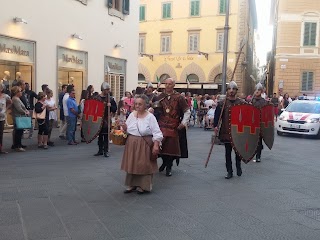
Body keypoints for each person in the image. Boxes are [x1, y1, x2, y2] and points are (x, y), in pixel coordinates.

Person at [120, 94, 163, 194]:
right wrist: (124, 127)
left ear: (145, 105)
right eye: (136, 104)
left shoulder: (150, 117)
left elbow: (157, 132)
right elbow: (127, 129)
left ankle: (143, 186)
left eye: (140, 104)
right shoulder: (131, 115)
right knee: (132, 163)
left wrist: (156, 145)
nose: (137, 106)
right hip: (131, 142)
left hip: (144, 143)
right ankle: (132, 184)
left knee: (144, 165)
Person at [155, 78, 190, 177]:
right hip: (162, 124)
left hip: (174, 125)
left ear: (173, 85)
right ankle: (164, 162)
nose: (167, 86)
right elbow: (154, 108)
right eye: (166, 84)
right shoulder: (160, 96)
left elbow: (187, 111)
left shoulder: (179, 97)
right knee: (161, 146)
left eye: (170, 84)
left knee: (171, 148)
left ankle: (169, 166)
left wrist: (183, 123)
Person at [214, 81, 244, 179]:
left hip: (238, 132)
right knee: (227, 152)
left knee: (238, 152)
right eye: (229, 89)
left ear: (236, 91)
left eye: (233, 89)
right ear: (227, 91)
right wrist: (215, 126)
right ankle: (229, 171)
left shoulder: (241, 103)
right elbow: (217, 116)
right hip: (226, 131)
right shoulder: (222, 103)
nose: (231, 91)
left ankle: (238, 167)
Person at [94, 82, 117, 157]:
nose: (108, 91)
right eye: (107, 89)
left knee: (106, 136)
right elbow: (94, 108)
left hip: (107, 119)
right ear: (103, 90)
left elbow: (115, 108)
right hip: (99, 119)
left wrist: (111, 106)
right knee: (100, 135)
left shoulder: (110, 99)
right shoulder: (97, 98)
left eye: (108, 89)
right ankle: (100, 150)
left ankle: (106, 151)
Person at [251, 83, 268, 162]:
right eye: (256, 90)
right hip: (252, 123)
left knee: (259, 141)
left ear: (261, 91)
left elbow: (265, 113)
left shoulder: (264, 102)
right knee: (252, 140)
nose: (257, 91)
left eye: (258, 90)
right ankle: (251, 155)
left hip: (260, 123)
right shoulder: (251, 100)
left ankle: (258, 156)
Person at [11, 86, 30, 152]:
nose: (21, 92)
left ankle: (19, 144)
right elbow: (19, 109)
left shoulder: (17, 98)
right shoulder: (15, 99)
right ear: (16, 92)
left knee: (20, 131)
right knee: (18, 132)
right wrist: (25, 112)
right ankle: (17, 146)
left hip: (20, 116)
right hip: (18, 117)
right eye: (20, 91)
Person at [0, 83, 11, 154]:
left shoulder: (5, 96)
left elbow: (10, 102)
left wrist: (6, 110)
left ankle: (0, 149)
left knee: (0, 134)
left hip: (1, 118)